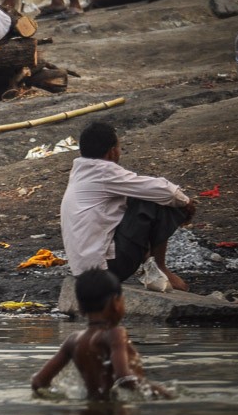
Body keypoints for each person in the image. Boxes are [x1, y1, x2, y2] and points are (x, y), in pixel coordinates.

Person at [60, 121, 196, 291]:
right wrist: (186, 202)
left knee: (135, 197)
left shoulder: (80, 171)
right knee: (151, 200)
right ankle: (160, 267)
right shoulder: (103, 171)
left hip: (83, 269)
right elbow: (166, 192)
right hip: (106, 268)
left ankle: (150, 262)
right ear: (112, 151)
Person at [32, 269, 172, 400]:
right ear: (116, 303)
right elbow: (124, 379)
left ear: (80, 308)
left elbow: (38, 382)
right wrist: (163, 393)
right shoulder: (115, 334)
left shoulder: (73, 340)